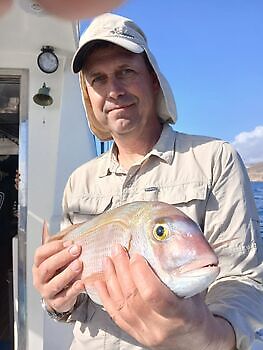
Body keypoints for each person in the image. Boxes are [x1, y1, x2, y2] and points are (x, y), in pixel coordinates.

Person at [32, 13, 263, 350]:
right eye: (98, 79)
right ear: (89, 95)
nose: (113, 90)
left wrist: (209, 335)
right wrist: (55, 300)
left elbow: (244, 280)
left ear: (153, 79)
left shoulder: (215, 158)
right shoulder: (79, 182)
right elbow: (75, 301)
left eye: (126, 71)